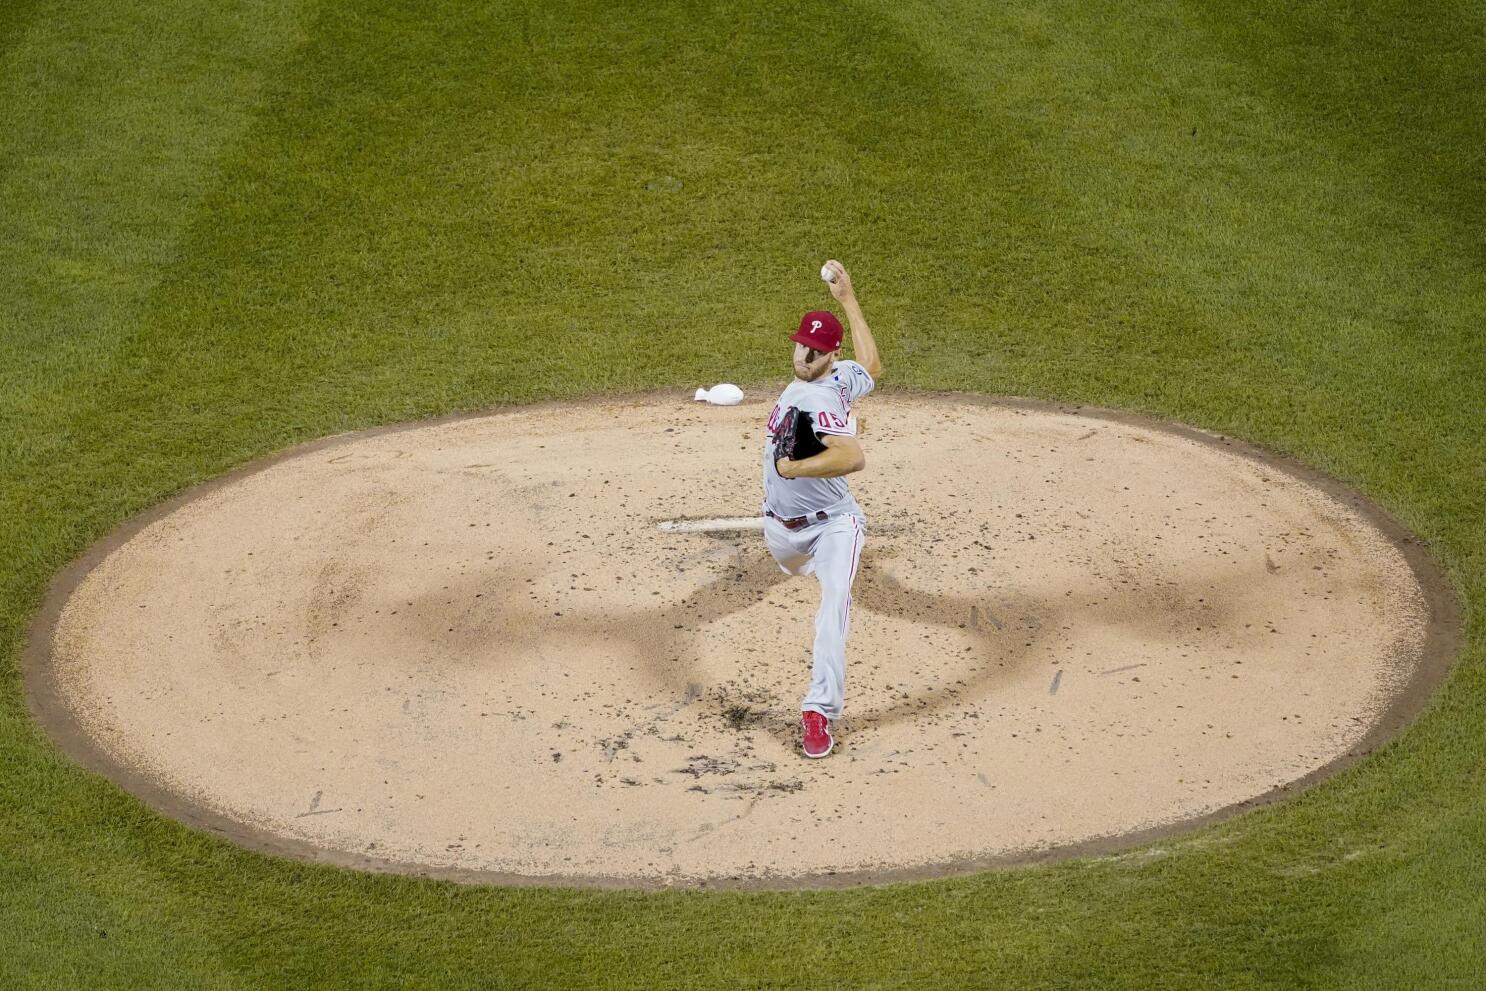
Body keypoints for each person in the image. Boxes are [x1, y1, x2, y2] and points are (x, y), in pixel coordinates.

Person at [761, 260, 882, 758]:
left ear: (829, 355)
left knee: (834, 605)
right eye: (799, 345)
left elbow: (852, 455)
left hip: (833, 526)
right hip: (780, 536)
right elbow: (872, 367)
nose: (803, 356)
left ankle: (819, 711)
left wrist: (793, 471)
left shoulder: (817, 401)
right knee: (798, 568)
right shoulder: (839, 379)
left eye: (814, 351)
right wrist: (849, 300)